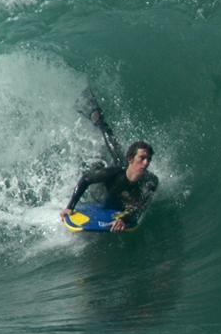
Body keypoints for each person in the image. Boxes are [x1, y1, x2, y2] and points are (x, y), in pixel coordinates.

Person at [60, 89, 159, 232]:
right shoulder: (114, 173)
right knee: (101, 160)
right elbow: (86, 179)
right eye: (142, 158)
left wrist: (123, 219)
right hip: (100, 193)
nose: (146, 163)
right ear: (131, 159)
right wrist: (70, 207)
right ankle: (94, 112)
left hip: (119, 191)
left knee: (116, 154)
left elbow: (140, 207)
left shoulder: (150, 181)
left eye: (148, 159)